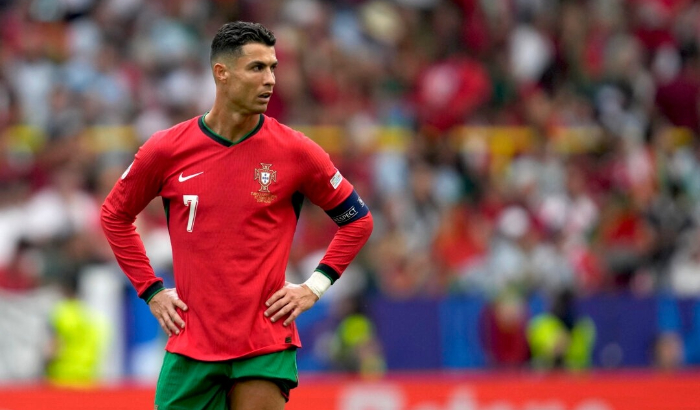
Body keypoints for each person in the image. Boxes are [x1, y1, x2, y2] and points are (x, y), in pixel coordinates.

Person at [101, 21, 373, 409]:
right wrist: (152, 291)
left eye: (273, 67)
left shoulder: (296, 151)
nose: (271, 80)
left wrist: (314, 287)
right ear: (221, 73)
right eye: (257, 68)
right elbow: (115, 215)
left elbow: (358, 220)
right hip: (191, 341)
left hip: (263, 341)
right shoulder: (166, 149)